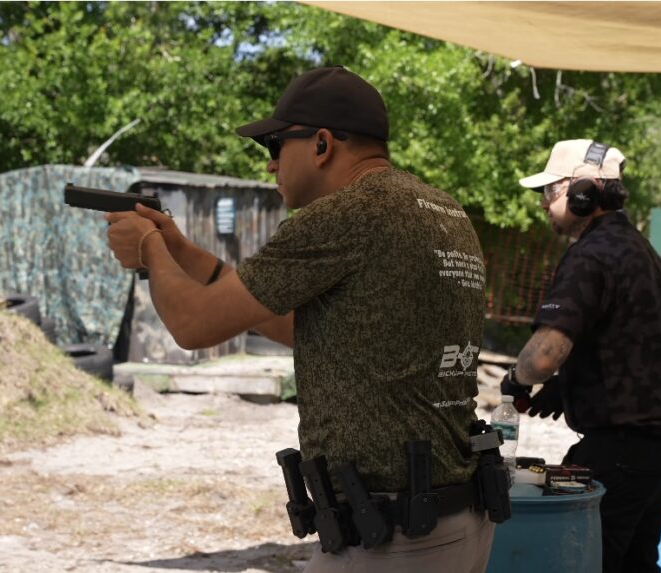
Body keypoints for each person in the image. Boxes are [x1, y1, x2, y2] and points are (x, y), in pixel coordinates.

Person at [105, 66, 495, 572]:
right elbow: (300, 327)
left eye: (274, 146)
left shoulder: (345, 213)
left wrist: (148, 247)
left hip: (390, 535)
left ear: (322, 144)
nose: (270, 166)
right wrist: (178, 249)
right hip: (455, 518)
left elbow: (192, 325)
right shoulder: (441, 209)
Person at [502, 139, 661, 573]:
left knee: (586, 562)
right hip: (660, 444)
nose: (544, 204)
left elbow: (543, 356)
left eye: (549, 191)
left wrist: (518, 379)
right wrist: (566, 389)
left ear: (582, 191)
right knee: (637, 565)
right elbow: (629, 346)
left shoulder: (590, 256)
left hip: (623, 447)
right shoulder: (639, 249)